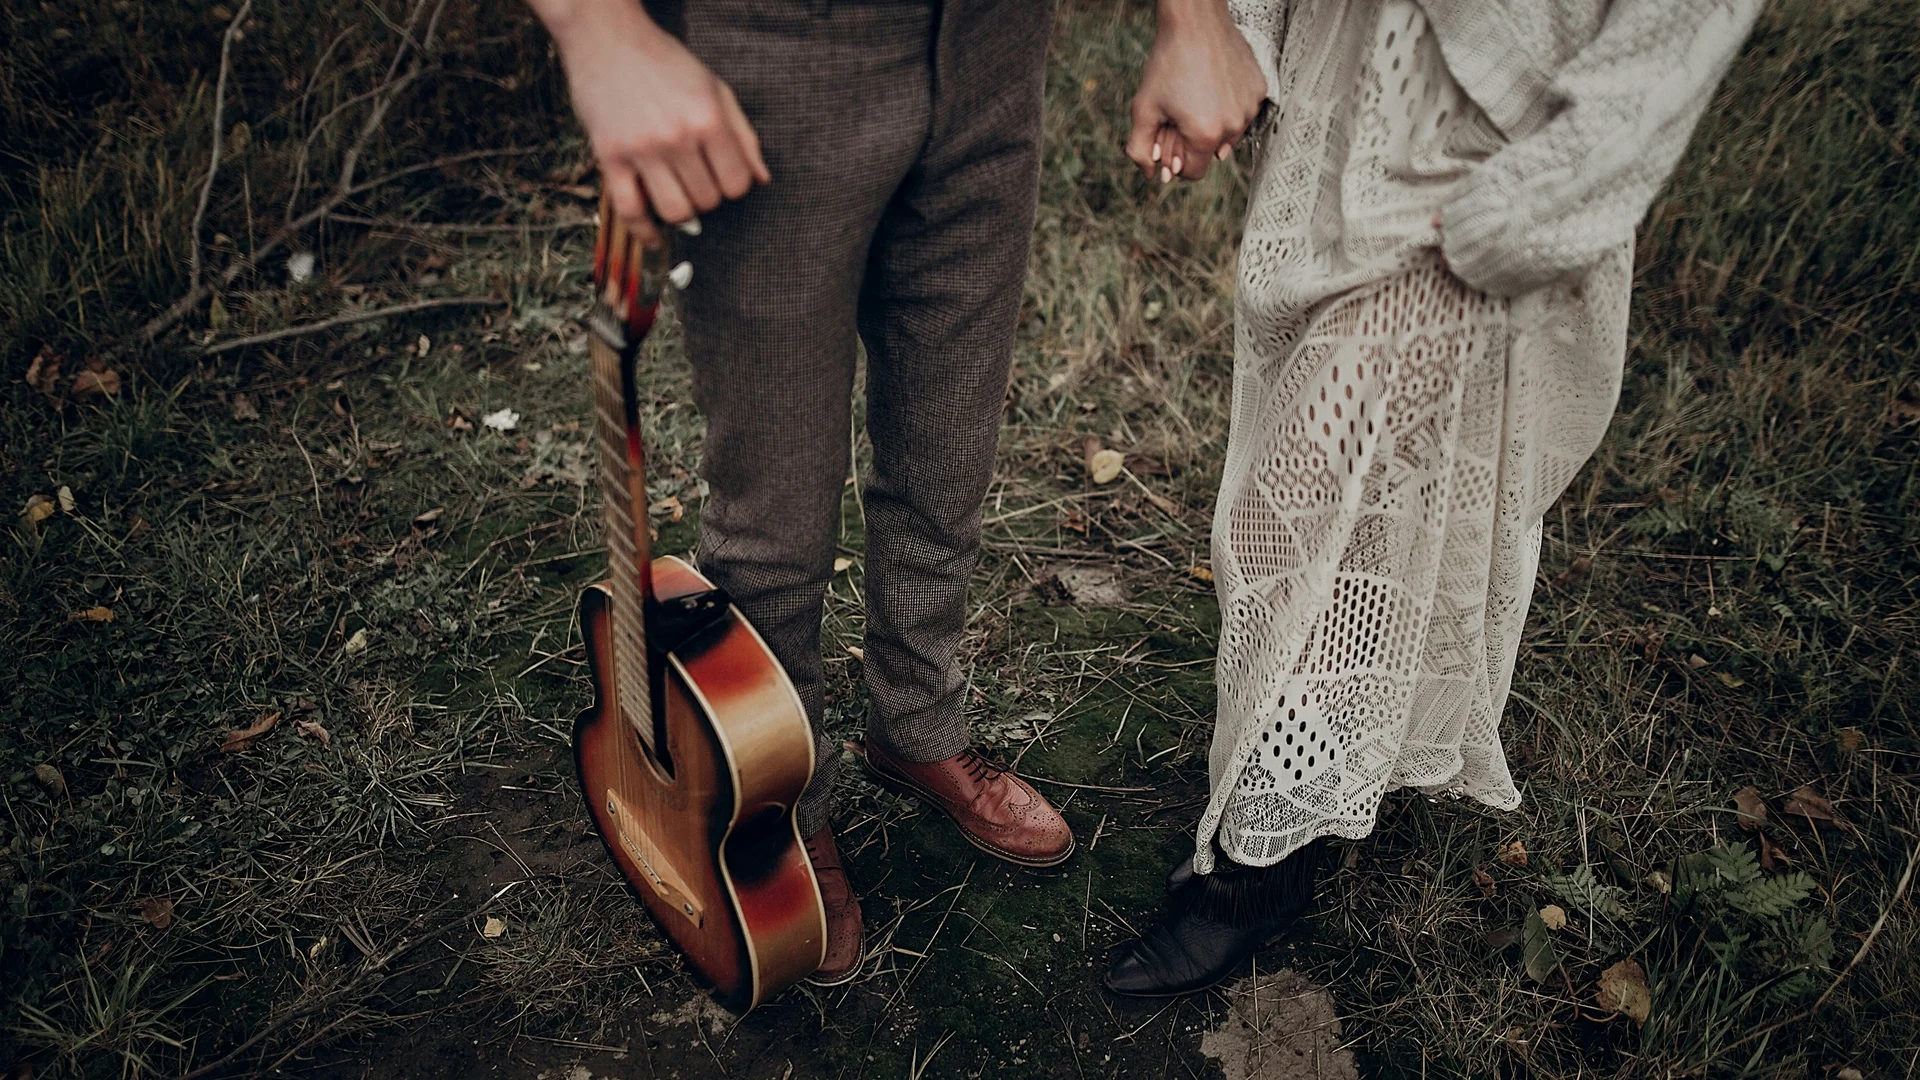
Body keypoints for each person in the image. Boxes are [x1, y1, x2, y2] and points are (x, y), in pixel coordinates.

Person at [1106, 0, 1762, 996]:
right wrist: (1231, 34)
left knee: (1322, 503)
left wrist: (1532, 206)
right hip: (1358, 82)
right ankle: (1310, 782)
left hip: (1482, 162)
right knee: (1337, 500)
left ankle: (1258, 869)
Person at [523, 0, 1076, 987]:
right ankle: (784, 810)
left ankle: (920, 727)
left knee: (948, 449)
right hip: (775, 55)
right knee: (774, 508)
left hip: (998, 45)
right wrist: (597, 30)